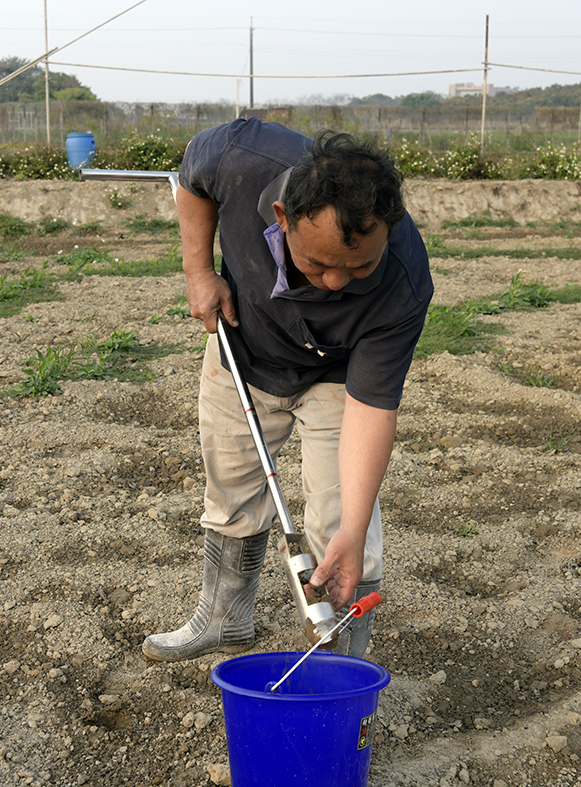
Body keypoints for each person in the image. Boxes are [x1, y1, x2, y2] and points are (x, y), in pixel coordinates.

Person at [142, 118, 432, 663]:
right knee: (231, 490)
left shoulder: (404, 283)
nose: (336, 282)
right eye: (319, 263)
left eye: (359, 267)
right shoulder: (239, 154)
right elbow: (190, 181)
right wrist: (198, 271)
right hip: (243, 347)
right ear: (283, 218)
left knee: (341, 522)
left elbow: (372, 408)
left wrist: (354, 525)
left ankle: (339, 660)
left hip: (339, 376)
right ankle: (226, 621)